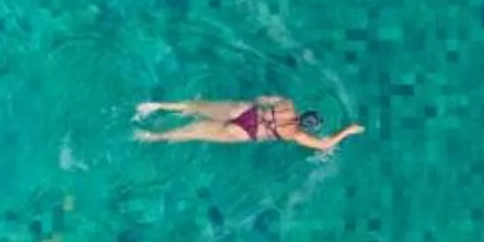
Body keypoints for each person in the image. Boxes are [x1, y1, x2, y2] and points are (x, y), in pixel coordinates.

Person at [134, 97, 361, 152]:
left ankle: (155, 106)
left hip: (243, 111)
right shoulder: (295, 134)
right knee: (191, 132)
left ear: (304, 111)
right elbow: (325, 145)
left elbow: (261, 99)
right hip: (245, 131)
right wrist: (348, 131)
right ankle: (151, 136)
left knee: (195, 106)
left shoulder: (287, 104)